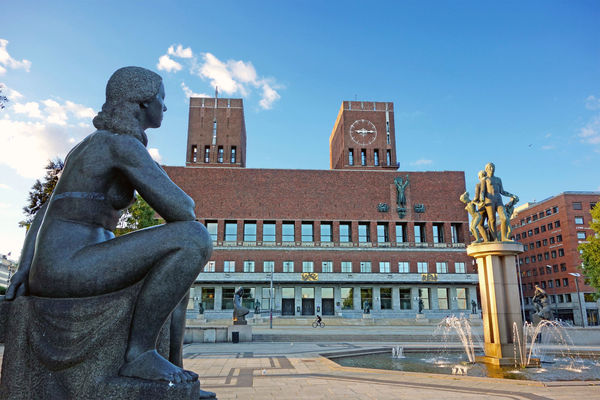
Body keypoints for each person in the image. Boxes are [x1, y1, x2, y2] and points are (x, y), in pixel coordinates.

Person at [5, 67, 212, 384]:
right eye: (162, 98)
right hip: (70, 266)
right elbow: (183, 211)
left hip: (58, 264)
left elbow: (46, 209)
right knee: (193, 239)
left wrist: (25, 267)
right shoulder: (121, 145)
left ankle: (174, 370)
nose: (165, 107)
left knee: (176, 280)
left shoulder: (88, 146)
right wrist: (151, 170)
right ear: (142, 103)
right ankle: (139, 354)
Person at [479, 163, 517, 241]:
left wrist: (512, 195)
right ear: (486, 169)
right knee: (492, 220)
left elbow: (502, 191)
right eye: (489, 167)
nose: (491, 169)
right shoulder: (485, 179)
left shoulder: (498, 179)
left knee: (504, 218)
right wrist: (482, 198)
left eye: (493, 167)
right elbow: (482, 191)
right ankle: (495, 239)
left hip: (498, 200)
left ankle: (504, 237)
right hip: (489, 201)